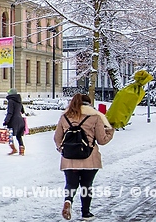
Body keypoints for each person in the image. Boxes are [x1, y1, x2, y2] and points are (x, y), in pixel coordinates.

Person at [53, 93, 115, 221]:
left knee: (71, 183)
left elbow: (57, 138)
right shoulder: (95, 117)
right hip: (89, 158)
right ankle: (86, 213)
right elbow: (102, 140)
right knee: (86, 185)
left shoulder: (65, 117)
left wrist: (62, 150)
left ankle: (68, 201)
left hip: (69, 159)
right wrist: (110, 131)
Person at [3, 88, 27, 156]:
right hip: (20, 120)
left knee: (9, 135)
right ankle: (22, 150)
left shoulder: (11, 101)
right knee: (19, 136)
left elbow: (10, 112)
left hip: (13, 121)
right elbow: (22, 111)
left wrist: (6, 121)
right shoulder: (19, 100)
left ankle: (13, 149)